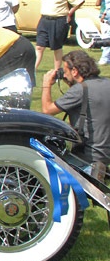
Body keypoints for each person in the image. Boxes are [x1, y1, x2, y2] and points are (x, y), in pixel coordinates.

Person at [41, 50, 110, 178]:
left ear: (74, 71)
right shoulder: (106, 83)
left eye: (65, 71)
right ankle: (98, 170)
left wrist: (46, 85)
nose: (64, 75)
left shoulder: (80, 90)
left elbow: (47, 110)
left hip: (88, 155)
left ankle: (89, 171)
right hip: (106, 151)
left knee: (46, 165)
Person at [35, 0, 84, 75]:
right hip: (44, 19)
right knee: (39, 46)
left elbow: (80, 0)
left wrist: (70, 12)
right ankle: (33, 69)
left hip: (59, 20)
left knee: (56, 47)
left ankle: (57, 71)